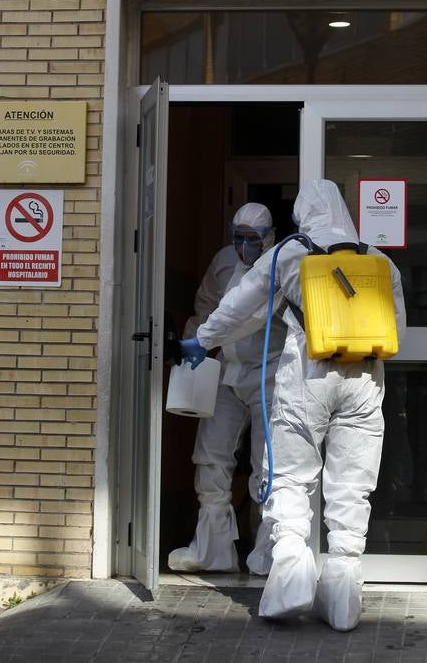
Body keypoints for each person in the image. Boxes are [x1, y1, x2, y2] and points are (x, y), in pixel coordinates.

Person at [180, 180, 406, 631]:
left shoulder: (293, 250)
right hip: (364, 381)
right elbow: (397, 326)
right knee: (350, 487)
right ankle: (342, 599)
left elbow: (237, 305)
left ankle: (290, 582)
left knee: (290, 477)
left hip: (308, 375)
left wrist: (202, 341)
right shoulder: (376, 258)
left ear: (305, 215)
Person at [169, 202, 287, 576]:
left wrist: (203, 340)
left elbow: (249, 317)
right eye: (238, 237)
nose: (244, 246)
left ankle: (267, 553)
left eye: (252, 239)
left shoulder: (284, 263)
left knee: (268, 466)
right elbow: (206, 308)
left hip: (270, 374)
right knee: (211, 456)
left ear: (268, 238)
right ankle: (213, 551)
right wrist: (192, 350)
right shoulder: (223, 262)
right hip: (229, 373)